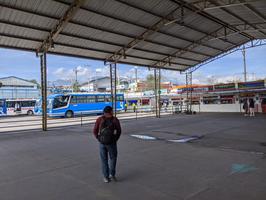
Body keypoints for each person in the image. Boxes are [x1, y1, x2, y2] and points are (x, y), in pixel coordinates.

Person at [93, 106, 121, 183]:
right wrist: (115, 139)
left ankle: (106, 177)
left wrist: (98, 138)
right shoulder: (115, 120)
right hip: (112, 143)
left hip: (102, 143)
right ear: (110, 111)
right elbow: (119, 131)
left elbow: (95, 130)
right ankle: (112, 175)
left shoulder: (99, 119)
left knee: (104, 160)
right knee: (113, 159)